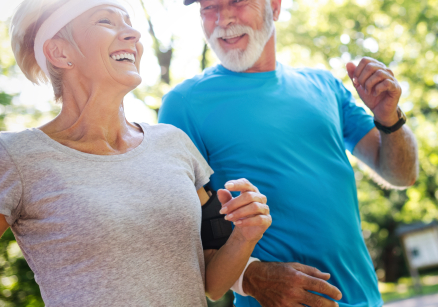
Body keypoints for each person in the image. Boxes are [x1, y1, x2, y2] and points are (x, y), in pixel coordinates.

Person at [1, 0, 271, 306]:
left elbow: (212, 283)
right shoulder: (15, 156)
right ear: (60, 52)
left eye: (129, 22)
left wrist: (245, 235)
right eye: (105, 21)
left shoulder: (174, 143)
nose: (132, 33)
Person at [158, 0, 419, 305]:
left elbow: (402, 174)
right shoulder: (183, 104)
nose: (223, 18)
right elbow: (182, 238)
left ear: (275, 7)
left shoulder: (324, 86)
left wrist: (390, 119)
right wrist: (254, 279)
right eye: (209, 7)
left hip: (367, 298)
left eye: (237, 1)